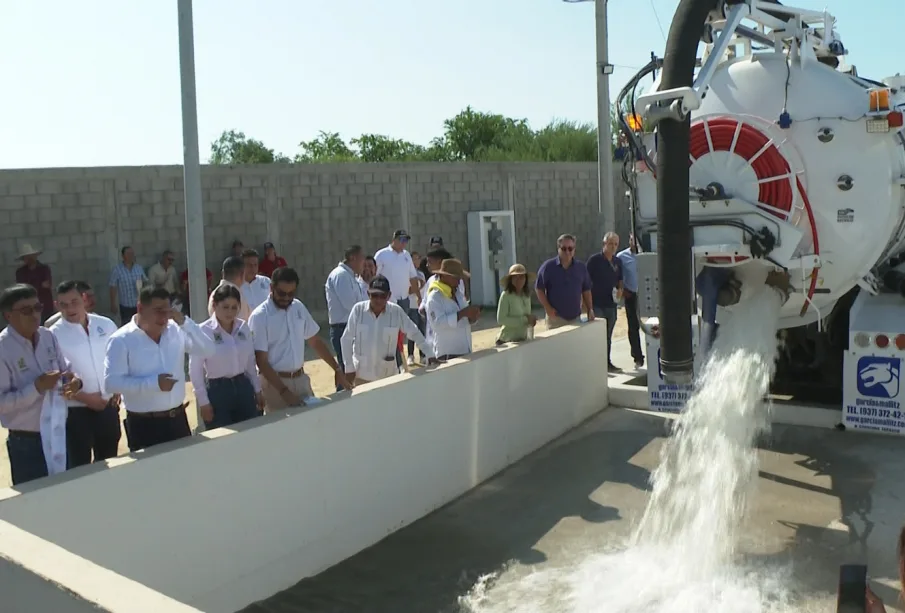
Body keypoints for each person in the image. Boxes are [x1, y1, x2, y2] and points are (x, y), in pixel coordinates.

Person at [104, 286, 218, 451]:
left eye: (167, 311)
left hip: (177, 420)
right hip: (143, 424)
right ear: (140, 308)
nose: (164, 317)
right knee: (150, 476)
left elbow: (209, 350)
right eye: (158, 311)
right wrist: (153, 384)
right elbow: (111, 383)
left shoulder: (176, 330)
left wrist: (186, 322)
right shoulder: (121, 340)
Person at [0, 284, 82, 484]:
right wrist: (37, 387)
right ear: (8, 316)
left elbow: (66, 371)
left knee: (67, 495)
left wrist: (75, 382)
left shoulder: (47, 336)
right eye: (26, 311)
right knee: (36, 504)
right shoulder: (3, 348)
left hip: (59, 432)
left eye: (37, 308)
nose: (34, 315)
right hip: (27, 442)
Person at [248, 267, 350, 411]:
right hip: (274, 386)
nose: (286, 298)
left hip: (301, 380)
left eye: (291, 294)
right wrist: (284, 391)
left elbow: (314, 341)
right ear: (271, 287)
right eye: (281, 293)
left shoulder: (298, 307)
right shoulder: (259, 317)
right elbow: (261, 362)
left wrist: (337, 369)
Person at [48, 281, 121, 468]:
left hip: (108, 407)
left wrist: (116, 390)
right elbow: (56, 379)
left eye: (74, 302)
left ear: (84, 299)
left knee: (109, 461)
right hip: (75, 412)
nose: (70, 308)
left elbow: (117, 359)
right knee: (79, 466)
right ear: (57, 306)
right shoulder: (52, 336)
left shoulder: (106, 325)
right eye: (63, 304)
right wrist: (88, 399)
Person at [189, 284, 263, 430]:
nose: (230, 312)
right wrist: (203, 402)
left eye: (234, 307)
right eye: (225, 307)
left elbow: (250, 362)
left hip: (243, 387)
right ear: (215, 305)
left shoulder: (243, 327)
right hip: (218, 391)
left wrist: (257, 390)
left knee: (251, 433)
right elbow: (195, 371)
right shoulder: (203, 331)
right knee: (222, 439)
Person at [341, 275, 436, 385]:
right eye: (374, 295)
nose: (378, 299)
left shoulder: (396, 311)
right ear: (368, 294)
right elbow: (346, 339)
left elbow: (414, 332)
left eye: (383, 296)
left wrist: (430, 354)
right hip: (361, 376)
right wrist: (349, 367)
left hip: (387, 378)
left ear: (389, 295)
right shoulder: (358, 310)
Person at [375, 230, 420, 368]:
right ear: (394, 239)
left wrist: (419, 296)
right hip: (388, 300)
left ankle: (398, 359)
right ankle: (391, 359)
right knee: (388, 331)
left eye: (406, 241)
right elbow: (374, 277)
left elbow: (413, 277)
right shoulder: (382, 255)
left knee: (400, 332)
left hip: (404, 299)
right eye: (402, 240)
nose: (404, 243)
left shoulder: (406, 256)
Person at [325, 246, 367, 391]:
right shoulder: (341, 276)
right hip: (343, 329)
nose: (364, 263)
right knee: (346, 370)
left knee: (352, 369)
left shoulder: (351, 277)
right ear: (353, 258)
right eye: (362, 259)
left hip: (352, 327)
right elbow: (351, 305)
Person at [535, 233, 595, 329]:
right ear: (558, 249)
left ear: (574, 249)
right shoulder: (548, 267)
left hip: (575, 318)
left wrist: (590, 309)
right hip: (555, 319)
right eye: (564, 249)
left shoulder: (581, 268)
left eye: (570, 248)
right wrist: (548, 308)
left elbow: (586, 290)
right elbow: (539, 289)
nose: (567, 252)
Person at [424, 259, 479, 360]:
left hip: (465, 350)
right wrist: (462, 313)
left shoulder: (458, 293)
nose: (459, 281)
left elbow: (464, 318)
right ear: (444, 276)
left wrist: (472, 318)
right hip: (447, 354)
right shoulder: (434, 297)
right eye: (456, 278)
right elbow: (437, 324)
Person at [586, 232, 624, 372]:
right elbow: (585, 283)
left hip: (611, 304)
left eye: (615, 244)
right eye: (610, 244)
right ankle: (596, 364)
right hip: (596, 304)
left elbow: (620, 280)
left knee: (608, 336)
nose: (613, 247)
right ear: (604, 244)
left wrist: (620, 289)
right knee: (598, 336)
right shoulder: (594, 260)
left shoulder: (617, 261)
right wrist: (586, 306)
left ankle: (607, 363)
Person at [617, 233, 645, 368]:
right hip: (632, 295)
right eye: (632, 239)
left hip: (649, 293)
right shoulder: (621, 257)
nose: (634, 242)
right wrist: (623, 292)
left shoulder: (647, 254)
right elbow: (616, 276)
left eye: (636, 240)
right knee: (633, 326)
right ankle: (638, 357)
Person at [496, 264, 537, 344]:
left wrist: (531, 320)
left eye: (521, 277)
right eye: (515, 277)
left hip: (522, 339)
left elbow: (527, 315)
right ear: (510, 280)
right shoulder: (506, 295)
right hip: (507, 341)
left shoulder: (526, 295)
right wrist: (525, 320)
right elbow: (501, 319)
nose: (519, 280)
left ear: (526, 279)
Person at [15, 244, 54, 323]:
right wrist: (39, 285)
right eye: (27, 257)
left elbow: (47, 284)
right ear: (24, 259)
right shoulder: (20, 272)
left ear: (36, 256)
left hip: (45, 305)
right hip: (29, 307)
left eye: (31, 256)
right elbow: (22, 290)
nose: (30, 259)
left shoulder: (44, 269)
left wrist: (31, 286)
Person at [209, 256, 251, 321]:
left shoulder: (214, 293)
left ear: (223, 273)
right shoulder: (236, 295)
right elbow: (241, 325)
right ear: (242, 274)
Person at [405, 251, 427, 365]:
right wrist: (418, 286)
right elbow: (408, 290)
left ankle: (423, 355)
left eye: (418, 258)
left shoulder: (421, 274)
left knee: (422, 330)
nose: (417, 261)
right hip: (412, 306)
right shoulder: (407, 275)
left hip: (421, 306)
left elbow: (423, 290)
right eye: (414, 259)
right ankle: (410, 355)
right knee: (412, 331)